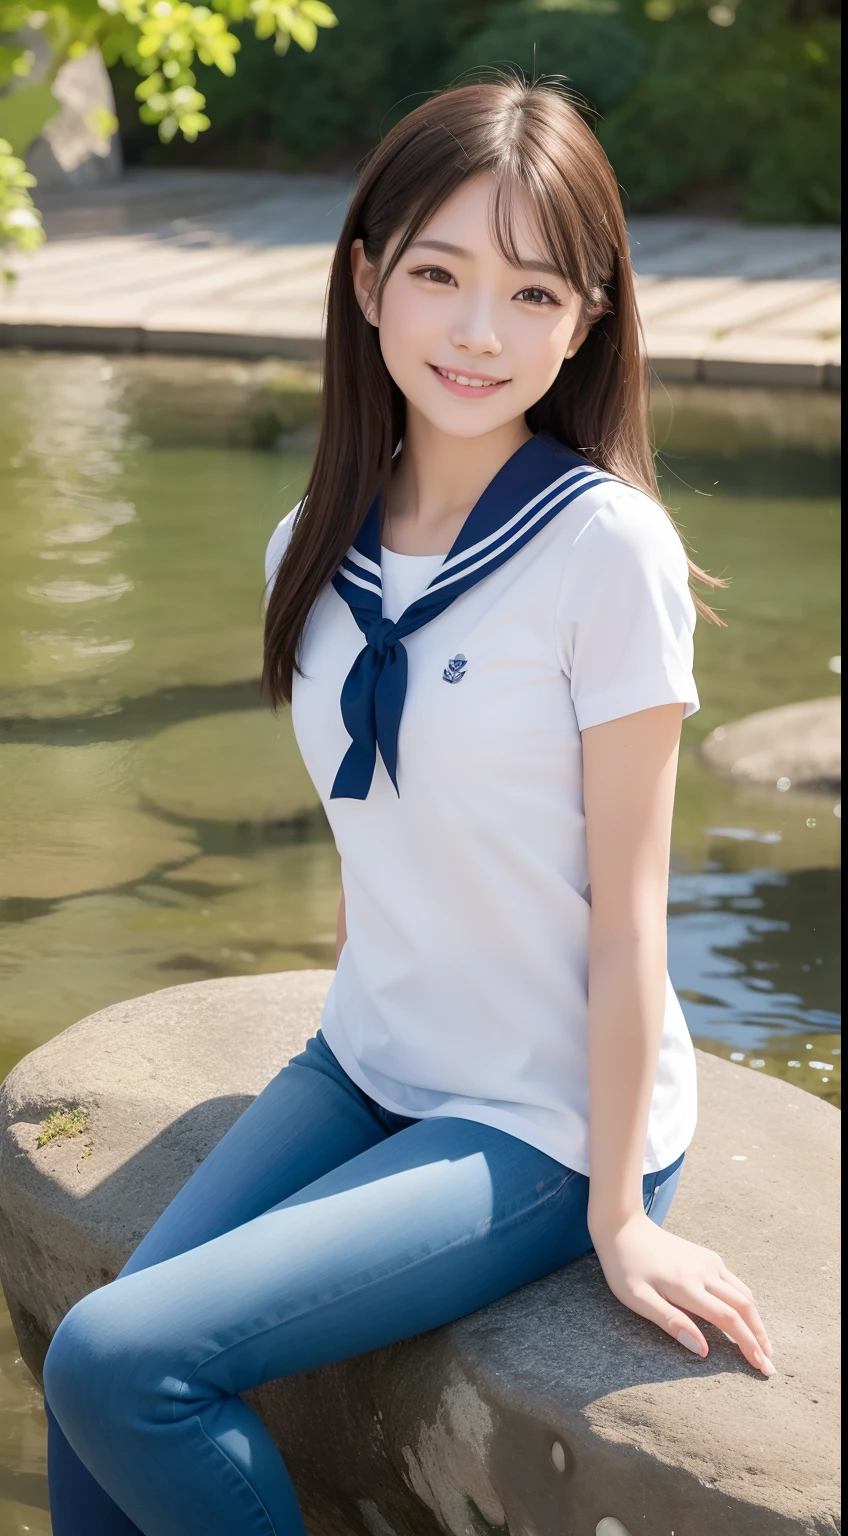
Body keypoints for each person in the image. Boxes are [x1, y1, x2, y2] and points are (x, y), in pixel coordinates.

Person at [42, 78, 773, 1536]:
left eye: (531, 290)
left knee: (126, 1365)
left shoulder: (604, 555)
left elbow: (633, 922)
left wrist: (621, 1212)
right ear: (367, 277)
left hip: (546, 1117)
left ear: (586, 320)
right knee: (94, 1382)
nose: (477, 331)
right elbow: (376, 835)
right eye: (438, 274)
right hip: (369, 1060)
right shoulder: (309, 542)